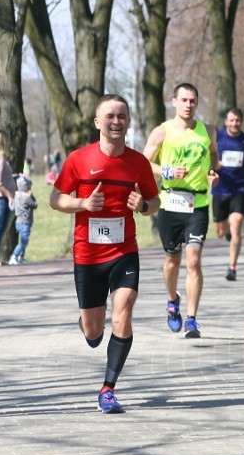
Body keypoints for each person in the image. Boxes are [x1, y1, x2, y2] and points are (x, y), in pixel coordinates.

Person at [49, 94, 161, 413]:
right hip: (87, 256)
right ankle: (88, 323)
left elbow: (155, 203)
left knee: (123, 310)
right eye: (110, 115)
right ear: (98, 122)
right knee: (94, 331)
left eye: (122, 116)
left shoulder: (138, 162)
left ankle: (108, 389)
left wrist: (142, 206)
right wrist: (82, 204)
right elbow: (56, 199)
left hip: (124, 251)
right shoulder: (79, 159)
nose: (116, 121)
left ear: (128, 121)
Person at [143, 83, 219, 339]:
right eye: (184, 100)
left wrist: (212, 172)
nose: (188, 104)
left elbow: (214, 156)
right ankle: (172, 301)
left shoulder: (208, 131)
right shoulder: (162, 132)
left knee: (194, 261)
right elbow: (143, 163)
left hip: (198, 204)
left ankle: (192, 320)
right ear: (174, 101)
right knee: (172, 261)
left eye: (193, 100)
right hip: (170, 203)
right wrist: (165, 171)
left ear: (197, 103)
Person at [213, 107, 244, 281]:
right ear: (226, 121)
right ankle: (225, 231)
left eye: (237, 120)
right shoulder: (217, 137)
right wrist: (214, 163)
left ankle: (232, 267)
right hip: (219, 189)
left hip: (239, 189)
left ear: (241, 122)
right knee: (219, 232)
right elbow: (206, 156)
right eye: (231, 120)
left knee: (237, 225)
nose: (234, 123)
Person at [9, 175, 37, 265]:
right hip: (25, 222)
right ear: (27, 187)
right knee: (24, 241)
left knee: (22, 240)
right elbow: (35, 205)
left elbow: (12, 208)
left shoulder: (16, 196)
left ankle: (21, 257)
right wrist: (32, 196)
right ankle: (14, 256)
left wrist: (11, 201)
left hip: (18, 222)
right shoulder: (26, 197)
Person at [0, 130, 16, 265]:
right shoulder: (0, 160)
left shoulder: (2, 159)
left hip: (3, 200)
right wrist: (10, 196)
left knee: (1, 230)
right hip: (2, 200)